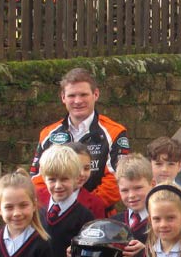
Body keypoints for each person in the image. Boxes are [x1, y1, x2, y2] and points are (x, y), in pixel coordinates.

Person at [31, 68, 131, 212]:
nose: (78, 101)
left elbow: (117, 179)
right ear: (63, 97)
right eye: (72, 95)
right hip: (55, 214)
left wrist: (82, 207)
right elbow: (37, 179)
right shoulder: (48, 133)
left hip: (97, 215)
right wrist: (58, 206)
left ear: (95, 94)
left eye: (83, 94)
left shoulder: (115, 132)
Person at [145, 136, 181, 204]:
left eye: (171, 164)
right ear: (150, 165)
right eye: (158, 164)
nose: (165, 169)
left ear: (179, 166)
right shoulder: (142, 197)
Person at [68, 142, 108, 220]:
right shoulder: (43, 198)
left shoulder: (95, 203)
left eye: (86, 168)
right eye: (76, 168)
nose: (82, 173)